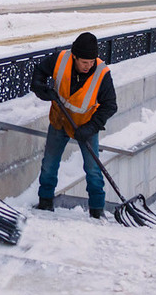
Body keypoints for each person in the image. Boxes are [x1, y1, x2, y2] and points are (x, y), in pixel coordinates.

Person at [29, 32, 118, 218]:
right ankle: (45, 203)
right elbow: (39, 72)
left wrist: (91, 128)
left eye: (92, 61)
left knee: (93, 169)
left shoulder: (102, 73)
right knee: (49, 164)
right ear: (74, 56)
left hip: (86, 125)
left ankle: (97, 211)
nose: (89, 66)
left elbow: (110, 105)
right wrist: (42, 89)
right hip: (59, 120)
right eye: (84, 62)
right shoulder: (60, 59)